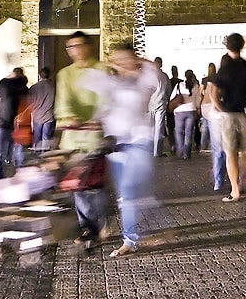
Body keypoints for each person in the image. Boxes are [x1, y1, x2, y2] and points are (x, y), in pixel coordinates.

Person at [87, 42, 166, 257]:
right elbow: (89, 78)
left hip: (140, 140)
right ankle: (130, 240)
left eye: (125, 58)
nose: (121, 63)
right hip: (116, 143)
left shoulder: (145, 79)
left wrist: (138, 62)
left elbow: (158, 75)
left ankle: (141, 231)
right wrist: (109, 64)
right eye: (117, 59)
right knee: (125, 195)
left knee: (130, 189)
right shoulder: (111, 81)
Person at [54, 32, 106, 251]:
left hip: (95, 137)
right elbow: (63, 101)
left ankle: (98, 221)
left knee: (95, 187)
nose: (73, 50)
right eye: (69, 47)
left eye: (77, 45)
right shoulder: (65, 74)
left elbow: (107, 98)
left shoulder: (102, 71)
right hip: (73, 139)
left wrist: (100, 117)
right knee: (79, 187)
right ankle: (88, 228)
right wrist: (69, 117)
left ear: (88, 46)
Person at [207, 34, 246, 202]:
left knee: (230, 152)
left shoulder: (223, 69)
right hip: (244, 112)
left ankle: (235, 190)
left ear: (227, 46)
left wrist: (221, 108)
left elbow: (213, 94)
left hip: (228, 114)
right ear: (242, 45)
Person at [0, 68, 29, 181]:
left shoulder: (4, 83)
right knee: (18, 152)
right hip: (18, 124)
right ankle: (20, 177)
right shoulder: (24, 87)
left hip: (3, 121)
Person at [170, 71, 199, 159]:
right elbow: (198, 101)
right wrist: (197, 109)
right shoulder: (196, 86)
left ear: (185, 76)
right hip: (191, 110)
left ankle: (180, 151)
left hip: (179, 111)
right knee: (188, 133)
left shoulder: (179, 85)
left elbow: (172, 98)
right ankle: (187, 153)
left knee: (179, 132)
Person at [148, 55, 173, 156]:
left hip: (150, 104)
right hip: (161, 103)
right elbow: (168, 91)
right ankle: (157, 152)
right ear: (161, 64)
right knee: (159, 128)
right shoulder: (164, 76)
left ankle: (148, 150)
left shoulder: (149, 75)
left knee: (149, 128)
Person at [28, 67, 56, 153]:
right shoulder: (53, 87)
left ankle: (37, 154)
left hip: (37, 115)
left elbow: (30, 101)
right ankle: (45, 155)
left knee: (37, 136)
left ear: (39, 75)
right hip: (49, 115)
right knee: (46, 137)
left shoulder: (34, 87)